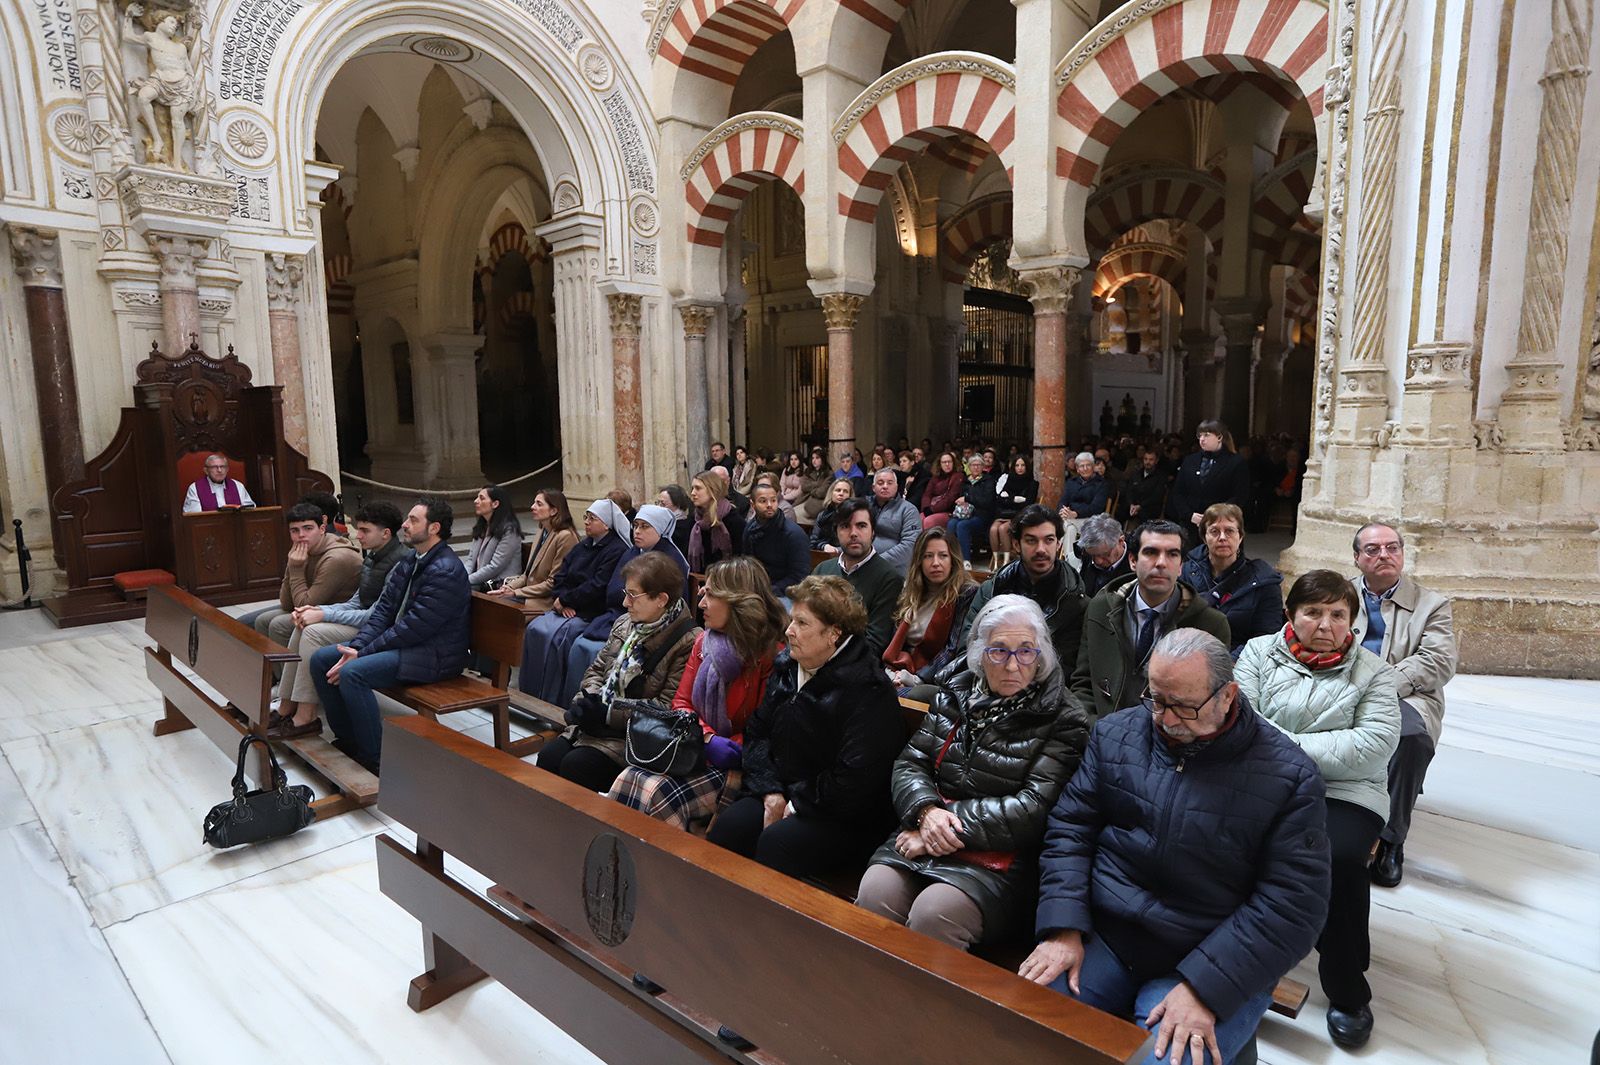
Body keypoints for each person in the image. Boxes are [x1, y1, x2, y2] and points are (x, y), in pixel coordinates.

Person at [1022, 629, 1332, 1065]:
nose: (1164, 719)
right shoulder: (1116, 735)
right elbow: (1070, 829)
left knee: (1166, 1059)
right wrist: (1063, 925)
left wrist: (1206, 987)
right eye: (1156, 699)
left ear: (1228, 696)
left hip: (1207, 952)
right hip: (1105, 937)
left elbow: (1292, 905)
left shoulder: (1289, 777)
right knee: (1019, 1024)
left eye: (1183, 706)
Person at [860, 595, 1089, 950]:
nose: (1013, 665)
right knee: (876, 891)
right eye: (999, 651)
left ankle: (929, 1005)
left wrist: (940, 824)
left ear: (1041, 653)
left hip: (996, 860)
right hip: (927, 828)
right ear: (979, 654)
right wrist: (925, 811)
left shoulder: (1063, 717)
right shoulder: (955, 693)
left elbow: (1032, 808)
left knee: (933, 914)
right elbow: (911, 761)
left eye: (1026, 651)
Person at [1234, 570, 1399, 1050]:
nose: (1325, 624)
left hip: (1346, 792)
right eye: (1313, 612)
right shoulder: (1260, 653)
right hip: (1267, 784)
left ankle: (1347, 988)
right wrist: (1289, 748)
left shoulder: (1373, 672)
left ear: (1353, 621)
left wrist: (1282, 743)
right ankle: (1229, 962)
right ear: (1291, 614)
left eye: (1338, 615)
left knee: (1338, 858)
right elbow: (1241, 721)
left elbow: (1372, 746)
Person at [706, 574, 905, 877]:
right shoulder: (788, 668)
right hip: (783, 792)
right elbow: (757, 733)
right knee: (728, 831)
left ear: (833, 634)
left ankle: (763, 924)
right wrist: (771, 791)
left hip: (843, 818)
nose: (789, 631)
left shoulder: (868, 690)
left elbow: (854, 782)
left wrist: (797, 804)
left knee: (777, 844)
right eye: (791, 621)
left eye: (802, 623)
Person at [608, 558, 785, 827]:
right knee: (628, 777)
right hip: (695, 746)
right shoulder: (705, 641)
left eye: (711, 595)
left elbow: (763, 729)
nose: (701, 604)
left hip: (738, 762)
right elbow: (681, 701)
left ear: (738, 601)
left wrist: (723, 745)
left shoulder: (771, 654)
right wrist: (706, 737)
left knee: (658, 793)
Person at [309, 498, 471, 774]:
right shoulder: (412, 559)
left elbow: (414, 628)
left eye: (413, 520)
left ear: (434, 528)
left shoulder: (445, 570)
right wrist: (358, 646)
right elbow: (383, 613)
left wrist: (362, 653)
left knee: (354, 673)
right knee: (322, 659)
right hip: (409, 647)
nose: (405, 525)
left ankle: (375, 758)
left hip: (435, 655)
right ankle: (349, 740)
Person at [1350, 522, 1457, 889]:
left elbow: (1437, 661)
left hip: (1408, 694)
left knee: (1410, 737)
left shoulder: (1432, 604)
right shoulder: (1340, 595)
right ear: (1357, 558)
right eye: (1373, 549)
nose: (1384, 555)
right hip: (1341, 688)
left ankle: (1391, 840)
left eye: (1392, 548)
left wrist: (1378, 687)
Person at [538, 552, 701, 793]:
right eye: (626, 594)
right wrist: (589, 701)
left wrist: (607, 712)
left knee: (577, 767)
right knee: (548, 758)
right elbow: (596, 669)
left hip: (634, 739)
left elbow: (667, 708)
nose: (625, 603)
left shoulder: (688, 641)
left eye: (633, 596)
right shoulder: (625, 623)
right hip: (596, 727)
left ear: (661, 599)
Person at [268, 501, 407, 740]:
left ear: (385, 533)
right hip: (366, 623)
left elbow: (376, 615)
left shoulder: (398, 563)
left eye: (364, 531)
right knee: (304, 624)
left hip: (380, 631)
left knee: (312, 632)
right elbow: (357, 601)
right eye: (358, 529)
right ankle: (287, 706)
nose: (358, 535)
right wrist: (315, 610)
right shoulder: (374, 556)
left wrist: (324, 614)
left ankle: (306, 715)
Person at [1072, 520, 1230, 720]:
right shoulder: (1101, 607)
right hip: (1101, 732)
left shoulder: (1210, 625)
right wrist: (1098, 732)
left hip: (1169, 737)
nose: (1161, 563)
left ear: (1181, 566)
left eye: (1172, 554)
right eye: (1151, 552)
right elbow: (1084, 682)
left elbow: (1210, 704)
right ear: (1132, 561)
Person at [557, 503, 693, 707]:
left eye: (645, 526)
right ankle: (570, 704)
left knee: (588, 646)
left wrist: (606, 714)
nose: (637, 531)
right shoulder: (632, 552)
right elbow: (612, 591)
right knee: (579, 646)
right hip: (621, 617)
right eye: (635, 525)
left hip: (649, 625)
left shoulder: (671, 560)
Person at [518, 499, 633, 705]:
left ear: (606, 524)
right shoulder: (583, 545)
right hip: (565, 606)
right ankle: (529, 694)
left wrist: (566, 600)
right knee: (535, 629)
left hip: (589, 610)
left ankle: (552, 699)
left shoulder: (616, 549)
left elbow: (598, 585)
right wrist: (560, 599)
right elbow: (561, 574)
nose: (587, 522)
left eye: (592, 518)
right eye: (586, 517)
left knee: (560, 638)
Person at [960, 505, 1088, 680]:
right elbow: (968, 643)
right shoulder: (992, 590)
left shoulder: (1074, 601)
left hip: (1045, 692)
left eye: (1048, 540)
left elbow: (1069, 666)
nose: (1041, 549)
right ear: (1016, 544)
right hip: (990, 679)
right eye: (1031, 540)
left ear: (1058, 544)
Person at [239, 502, 362, 641]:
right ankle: (266, 663)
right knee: (255, 621)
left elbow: (302, 604)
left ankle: (286, 663)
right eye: (294, 531)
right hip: (311, 604)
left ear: (322, 529)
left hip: (336, 611)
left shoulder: (337, 558)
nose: (301, 535)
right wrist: (292, 565)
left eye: (308, 528)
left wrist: (296, 568)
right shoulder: (305, 548)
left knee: (277, 624)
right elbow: (286, 603)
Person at [1180, 503, 1285, 656]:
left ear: (1240, 536)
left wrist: (1229, 662)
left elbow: (1265, 638)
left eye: (1229, 531)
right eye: (1214, 531)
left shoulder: (1265, 581)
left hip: (1239, 662)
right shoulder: (1185, 572)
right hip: (1188, 654)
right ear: (1204, 537)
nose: (1222, 537)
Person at [882, 527, 979, 691]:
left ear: (953, 559)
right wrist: (894, 674)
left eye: (943, 556)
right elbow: (896, 642)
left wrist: (917, 678)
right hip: (901, 671)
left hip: (937, 678)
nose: (935, 563)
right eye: (928, 556)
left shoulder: (965, 593)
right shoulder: (910, 591)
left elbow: (952, 649)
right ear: (919, 561)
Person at [811, 499, 904, 654]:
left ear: (873, 532)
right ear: (836, 532)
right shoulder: (823, 569)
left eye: (861, 526)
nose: (853, 533)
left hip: (852, 667)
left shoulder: (889, 578)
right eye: (845, 526)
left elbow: (875, 643)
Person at [487, 489, 578, 612]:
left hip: (545, 600)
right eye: (534, 503)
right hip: (530, 593)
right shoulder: (542, 530)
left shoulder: (565, 536)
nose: (532, 507)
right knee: (491, 604)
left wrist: (516, 593)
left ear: (554, 510)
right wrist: (508, 587)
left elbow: (552, 583)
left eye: (539, 504)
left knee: (499, 613)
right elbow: (527, 574)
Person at [1165, 420, 1250, 544]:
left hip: (1221, 525)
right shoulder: (1190, 460)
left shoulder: (1235, 462)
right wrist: (1189, 515)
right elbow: (1178, 492)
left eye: (1207, 435)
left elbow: (1239, 496)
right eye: (1200, 435)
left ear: (1219, 437)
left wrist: (1214, 516)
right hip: (1191, 525)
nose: (1202, 439)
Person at [743, 480, 811, 599]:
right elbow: (746, 564)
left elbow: (800, 576)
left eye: (773, 500)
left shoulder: (794, 534)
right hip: (756, 590)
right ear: (752, 504)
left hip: (785, 593)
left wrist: (769, 591)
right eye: (763, 501)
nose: (769, 504)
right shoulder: (750, 528)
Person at [465, 483, 523, 591]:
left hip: (499, 585)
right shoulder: (482, 526)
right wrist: (462, 577)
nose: (476, 501)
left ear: (495, 504)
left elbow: (495, 567)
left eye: (481, 498)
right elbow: (471, 559)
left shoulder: (510, 530)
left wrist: (464, 580)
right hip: (480, 582)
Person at [688, 469, 744, 573]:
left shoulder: (732, 519)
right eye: (692, 488)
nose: (692, 493)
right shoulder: (695, 519)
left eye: (698, 488)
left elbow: (741, 557)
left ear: (712, 490)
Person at [868, 468, 922, 575]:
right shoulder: (864, 506)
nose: (885, 486)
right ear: (873, 487)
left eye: (890, 483)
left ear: (896, 487)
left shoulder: (908, 510)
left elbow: (910, 546)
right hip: (862, 564)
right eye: (880, 483)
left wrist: (876, 562)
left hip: (895, 570)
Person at [988, 454, 1039, 567]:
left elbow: (1028, 503)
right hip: (1004, 514)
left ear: (1027, 467)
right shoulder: (1009, 480)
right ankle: (996, 562)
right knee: (993, 529)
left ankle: (1006, 562)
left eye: (1022, 465)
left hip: (1020, 515)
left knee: (1003, 529)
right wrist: (1014, 499)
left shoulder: (1032, 483)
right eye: (1017, 465)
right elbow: (1000, 500)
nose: (1020, 468)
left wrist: (1009, 499)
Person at [949, 454, 998, 563]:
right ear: (969, 467)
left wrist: (968, 499)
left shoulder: (988, 481)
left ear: (983, 466)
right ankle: (952, 558)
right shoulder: (966, 482)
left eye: (979, 465)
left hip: (981, 515)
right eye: (973, 465)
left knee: (963, 525)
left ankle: (965, 560)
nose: (976, 467)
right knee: (951, 523)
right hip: (965, 514)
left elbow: (987, 501)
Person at [1057, 452, 1109, 550]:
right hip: (1070, 519)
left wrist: (1076, 513)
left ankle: (1067, 561)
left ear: (1093, 466)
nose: (1085, 468)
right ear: (1077, 469)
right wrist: (1062, 511)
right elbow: (1063, 501)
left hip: (1091, 520)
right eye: (1082, 466)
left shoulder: (1101, 484)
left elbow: (1096, 508)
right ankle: (1071, 561)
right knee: (1070, 528)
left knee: (1066, 526)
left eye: (1088, 465)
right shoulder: (1071, 482)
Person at [1075, 514, 1131, 597]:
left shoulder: (1135, 564)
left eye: (1106, 554)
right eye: (1093, 555)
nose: (1098, 561)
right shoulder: (1087, 552)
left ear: (1121, 541)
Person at [181, 452, 255, 512]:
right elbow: (194, 517)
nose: (219, 470)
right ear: (206, 470)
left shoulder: (238, 486)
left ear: (227, 469)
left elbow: (249, 510)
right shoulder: (195, 488)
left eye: (222, 467)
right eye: (214, 467)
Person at [1119, 447, 1170, 525]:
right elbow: (1129, 491)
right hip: (1133, 508)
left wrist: (1140, 506)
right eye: (1145, 459)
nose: (1147, 462)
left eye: (1151, 459)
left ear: (1156, 461)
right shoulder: (1136, 474)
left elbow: (1156, 496)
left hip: (1150, 510)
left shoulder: (1161, 477)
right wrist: (1131, 504)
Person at [808, 477, 856, 553]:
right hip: (822, 554)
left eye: (845, 491)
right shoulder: (822, 515)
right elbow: (813, 541)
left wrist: (837, 550)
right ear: (831, 493)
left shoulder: (854, 516)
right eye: (838, 490)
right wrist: (824, 546)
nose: (841, 493)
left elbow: (855, 544)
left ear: (850, 496)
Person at [920, 450, 965, 529]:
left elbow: (950, 498)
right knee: (918, 519)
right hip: (931, 508)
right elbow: (927, 494)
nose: (947, 464)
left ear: (953, 463)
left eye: (949, 462)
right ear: (940, 464)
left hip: (948, 511)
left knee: (929, 521)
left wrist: (932, 509)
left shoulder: (958, 476)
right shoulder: (935, 477)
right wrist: (926, 507)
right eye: (944, 462)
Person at [795, 451, 832, 523]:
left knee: (796, 515)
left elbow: (822, 492)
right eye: (812, 458)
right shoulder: (808, 471)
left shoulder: (829, 473)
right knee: (791, 512)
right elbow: (804, 486)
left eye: (817, 458)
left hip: (818, 502)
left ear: (823, 459)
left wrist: (811, 490)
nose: (814, 461)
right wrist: (818, 484)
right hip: (804, 499)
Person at [657, 485, 693, 556]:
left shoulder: (683, 526)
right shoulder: (662, 524)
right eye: (657, 503)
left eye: (663, 504)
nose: (658, 507)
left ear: (677, 505)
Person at [778, 452, 805, 517]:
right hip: (785, 495)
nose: (793, 462)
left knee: (785, 510)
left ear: (800, 460)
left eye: (796, 459)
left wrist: (785, 497)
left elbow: (800, 491)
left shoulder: (804, 471)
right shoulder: (786, 469)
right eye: (791, 459)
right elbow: (782, 483)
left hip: (797, 498)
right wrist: (782, 493)